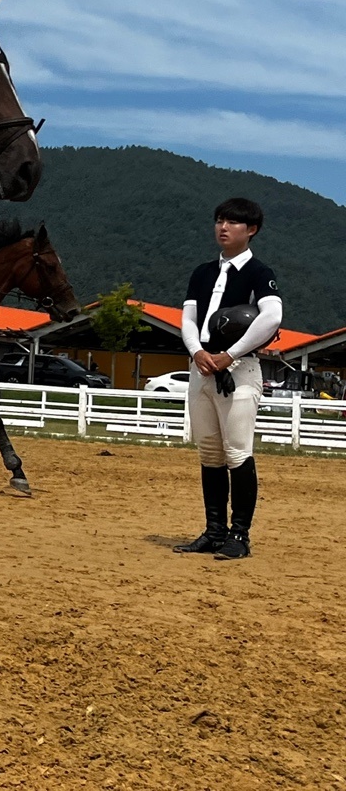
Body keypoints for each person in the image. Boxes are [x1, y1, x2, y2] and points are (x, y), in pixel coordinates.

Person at [174, 198, 283, 561]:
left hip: (238, 371)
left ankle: (240, 535)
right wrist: (198, 352)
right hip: (202, 368)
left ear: (250, 230)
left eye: (233, 222)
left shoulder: (258, 272)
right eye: (219, 220)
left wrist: (230, 354)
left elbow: (271, 317)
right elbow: (188, 318)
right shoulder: (202, 272)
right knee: (209, 452)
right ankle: (214, 531)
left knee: (238, 452)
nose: (223, 227)